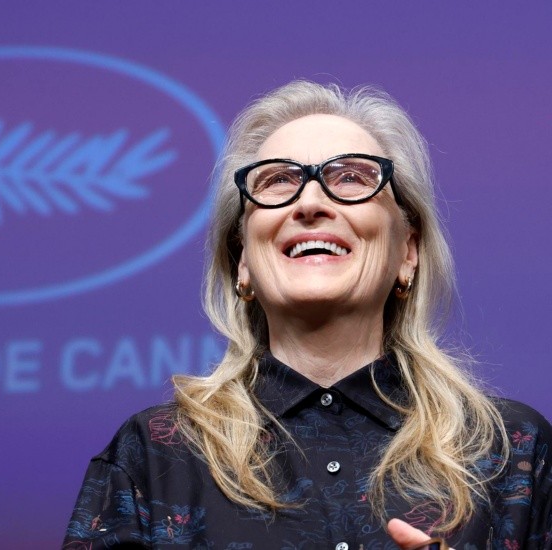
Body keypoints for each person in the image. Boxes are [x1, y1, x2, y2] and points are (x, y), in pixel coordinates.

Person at [63, 81, 552, 549]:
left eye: (352, 178)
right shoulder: (152, 456)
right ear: (243, 261)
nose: (311, 202)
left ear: (408, 250)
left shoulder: (513, 453)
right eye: (278, 181)